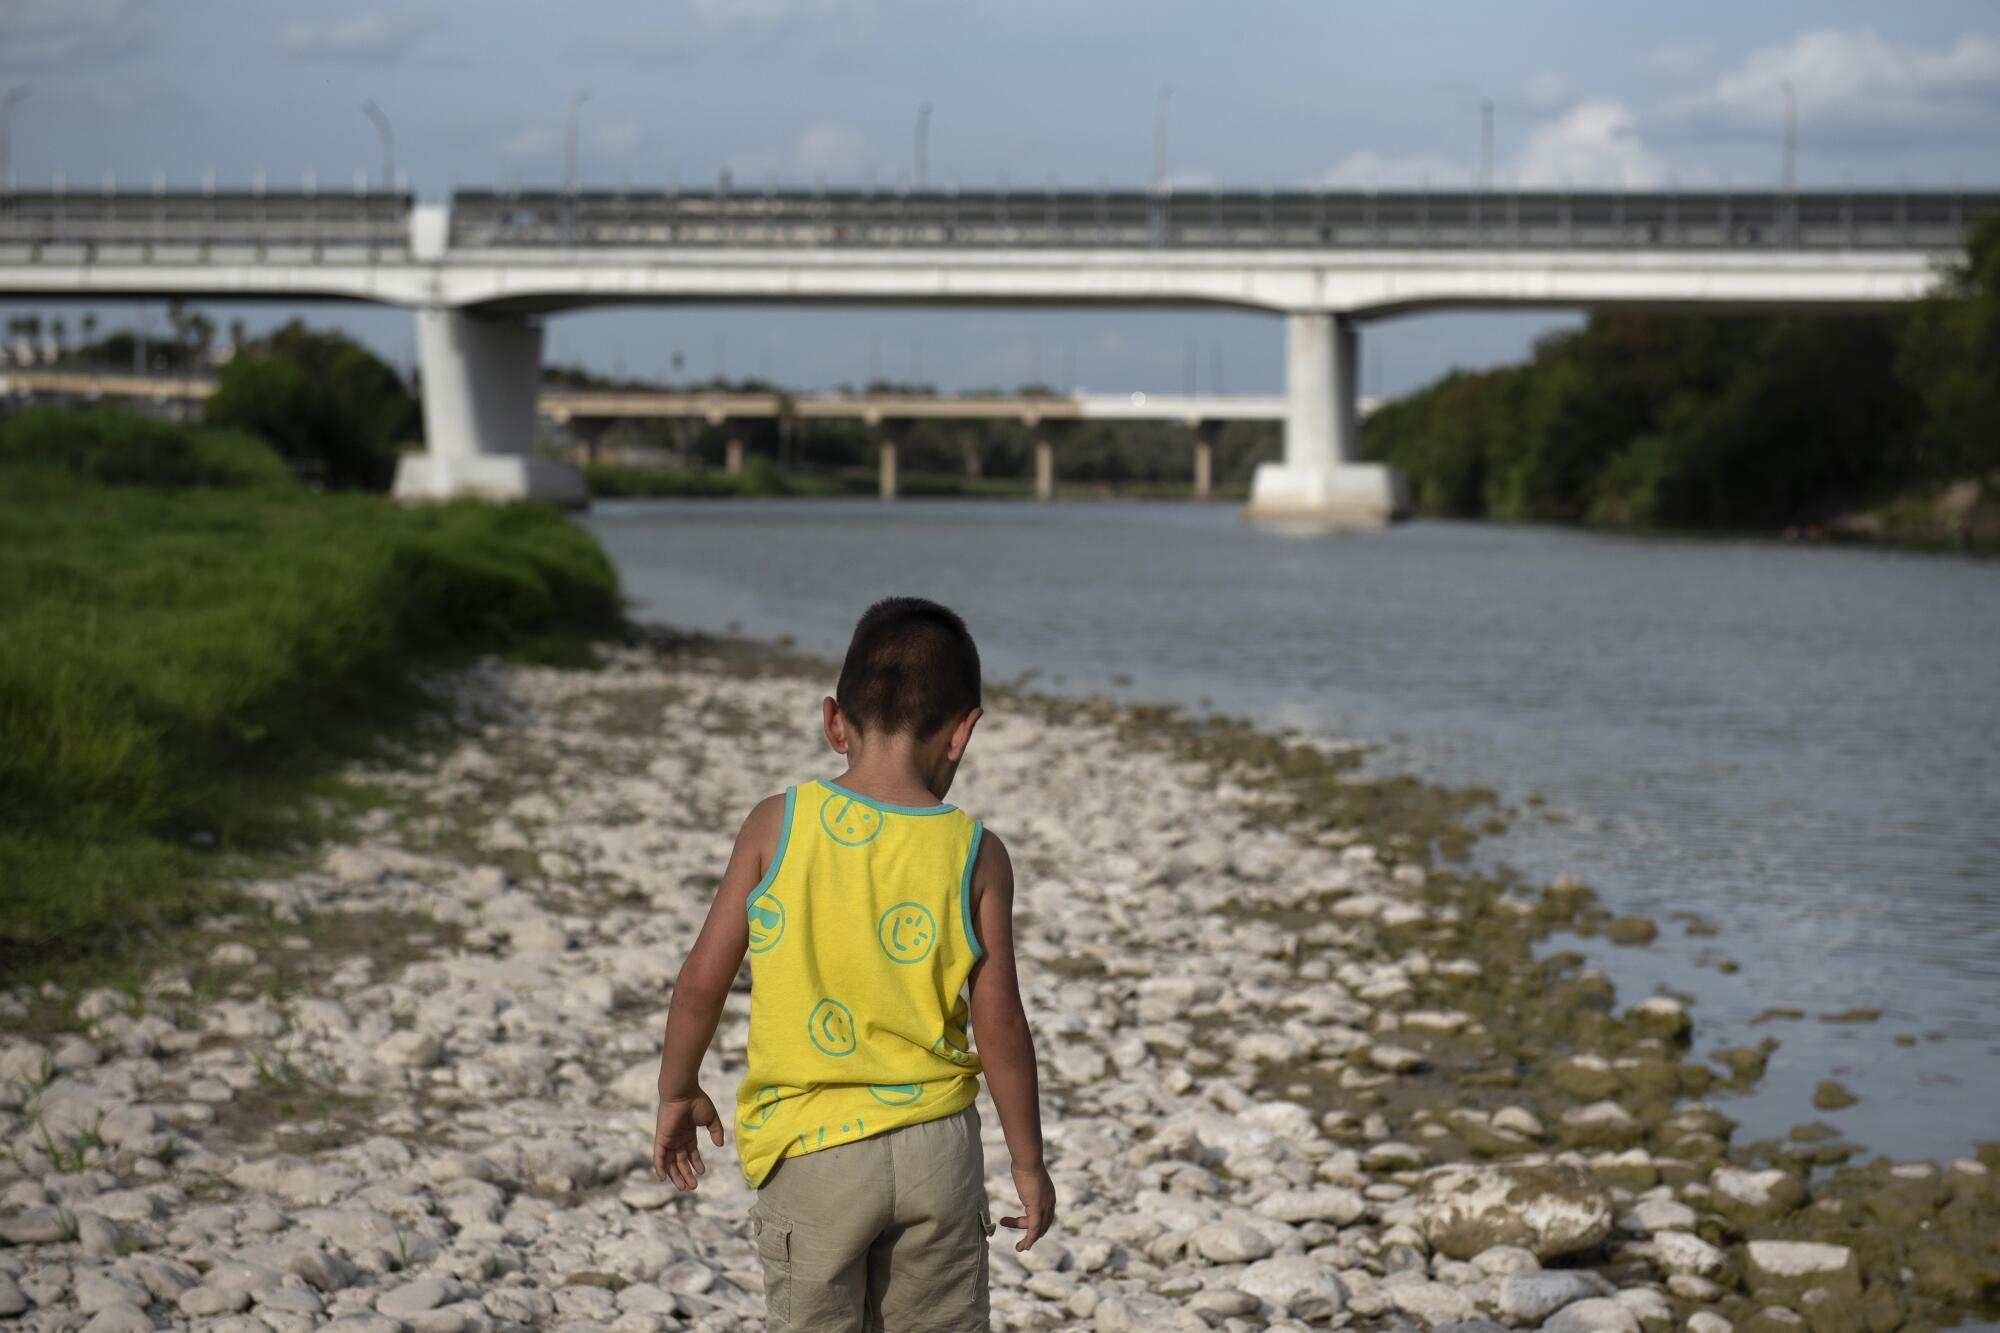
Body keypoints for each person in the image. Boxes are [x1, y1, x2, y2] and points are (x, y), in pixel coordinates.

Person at [650, 596, 1055, 1331]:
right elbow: (1000, 1022)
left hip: (814, 1150)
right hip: (938, 1150)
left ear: (834, 720)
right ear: (963, 731)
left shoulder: (778, 822)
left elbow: (702, 979)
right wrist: (1027, 1161)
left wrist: (678, 1089)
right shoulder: (976, 852)